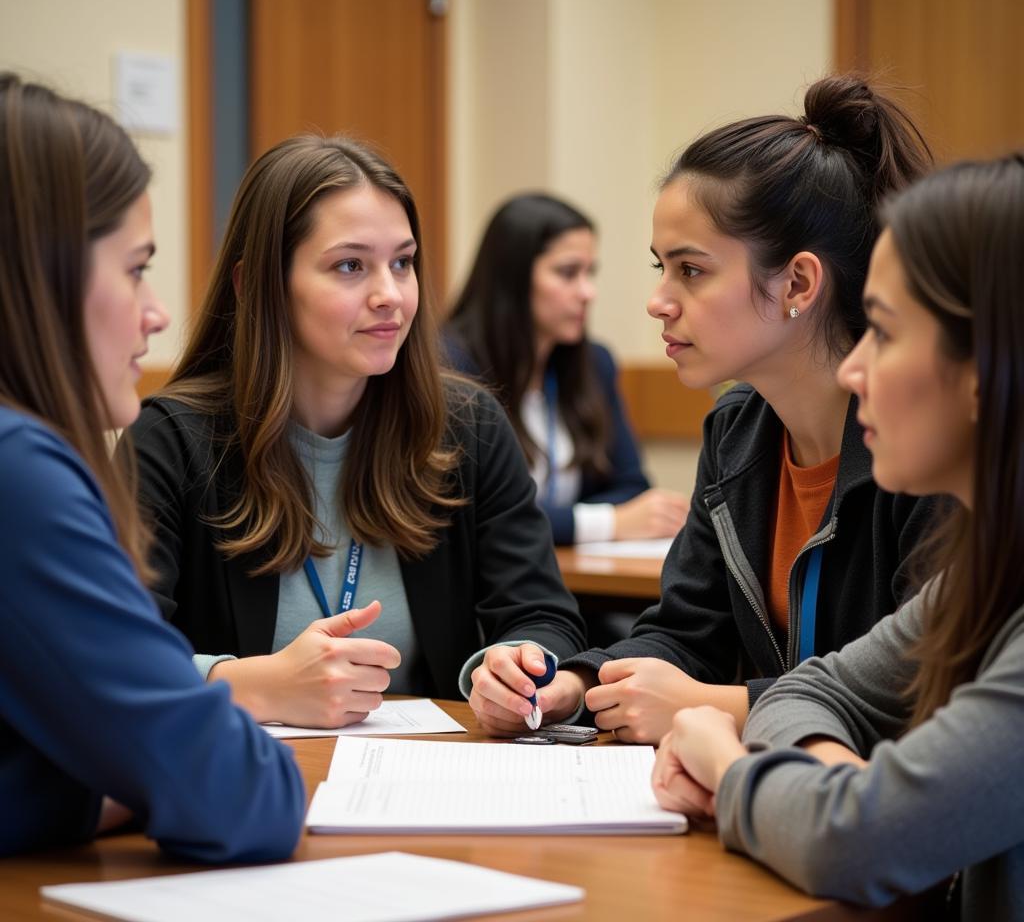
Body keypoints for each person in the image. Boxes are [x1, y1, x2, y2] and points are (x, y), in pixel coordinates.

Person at [469, 74, 946, 740]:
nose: (658, 300)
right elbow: (683, 634)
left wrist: (717, 706)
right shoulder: (738, 429)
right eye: (659, 267)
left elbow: (924, 692)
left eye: (690, 270)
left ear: (798, 284)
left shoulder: (928, 446)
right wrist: (567, 687)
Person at [652, 154, 1024, 918]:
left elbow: (858, 841)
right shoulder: (991, 568)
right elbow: (805, 690)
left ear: (985, 366)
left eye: (883, 333)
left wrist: (733, 774)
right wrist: (828, 783)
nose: (854, 369)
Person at [128, 135, 587, 731]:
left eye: (402, 262)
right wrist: (240, 683)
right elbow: (111, 655)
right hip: (244, 785)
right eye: (350, 266)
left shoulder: (466, 426)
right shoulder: (170, 439)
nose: (390, 296)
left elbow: (544, 615)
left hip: (426, 784)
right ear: (255, 285)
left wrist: (524, 669)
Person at [0, 73, 304, 859]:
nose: (157, 312)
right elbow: (244, 794)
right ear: (42, 275)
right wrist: (97, 787)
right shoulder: (18, 472)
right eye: (135, 269)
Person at [446, 193, 688, 546]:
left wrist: (583, 520)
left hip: (576, 578)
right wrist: (606, 522)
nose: (587, 292)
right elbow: (471, 515)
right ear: (512, 278)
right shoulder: (451, 369)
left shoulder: (594, 363)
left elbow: (632, 487)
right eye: (567, 273)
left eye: (590, 272)